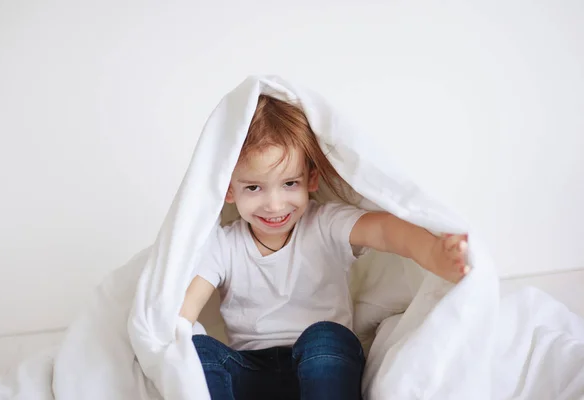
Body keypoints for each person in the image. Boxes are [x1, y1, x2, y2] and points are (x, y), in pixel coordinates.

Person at [179, 94, 469, 400]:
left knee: (325, 337)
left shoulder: (325, 224)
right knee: (199, 351)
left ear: (311, 179)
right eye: (254, 187)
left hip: (325, 367)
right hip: (254, 372)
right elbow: (186, 308)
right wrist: (171, 335)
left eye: (290, 183)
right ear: (228, 190)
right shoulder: (223, 245)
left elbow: (385, 230)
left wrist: (435, 253)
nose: (275, 205)